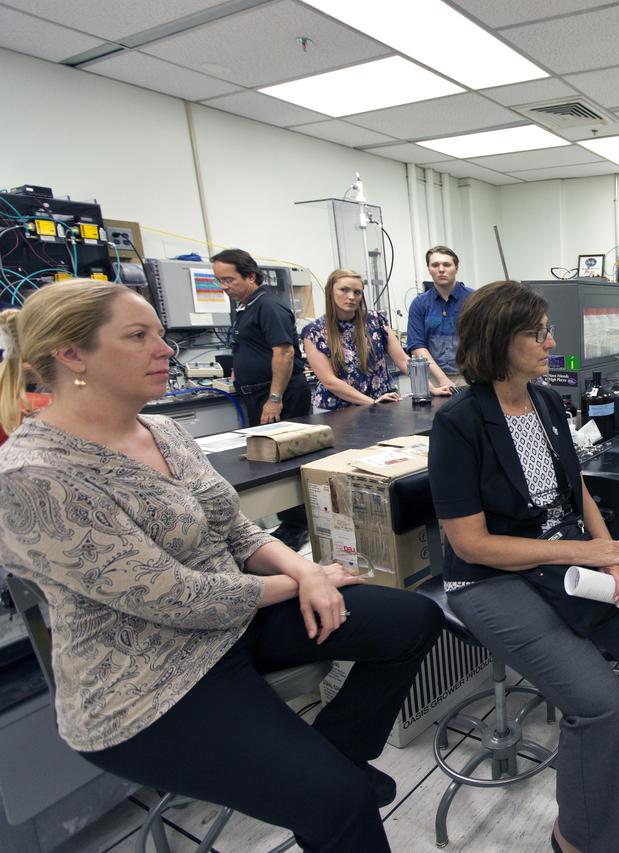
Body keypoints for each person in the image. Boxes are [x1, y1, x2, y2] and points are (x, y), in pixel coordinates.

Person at [0, 281, 444, 852]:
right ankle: (333, 782)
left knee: (414, 620)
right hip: (149, 678)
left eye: (159, 333)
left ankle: (339, 754)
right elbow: (177, 599)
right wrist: (300, 580)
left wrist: (308, 574)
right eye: (139, 336)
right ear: (71, 354)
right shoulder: (33, 477)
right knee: (340, 803)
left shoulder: (160, 430)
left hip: (235, 624)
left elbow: (235, 528)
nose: (165, 349)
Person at [429, 281, 619, 853]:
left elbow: (575, 489)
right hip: (490, 578)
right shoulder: (458, 423)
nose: (552, 341)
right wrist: (581, 553)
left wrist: (613, 553)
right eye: (539, 333)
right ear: (500, 341)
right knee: (600, 704)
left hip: (564, 560)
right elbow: (472, 544)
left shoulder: (547, 399)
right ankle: (577, 836)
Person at [211, 248, 310, 548]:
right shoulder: (247, 306)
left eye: (229, 280)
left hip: (279, 394)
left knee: (284, 462)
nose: (224, 287)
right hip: (259, 394)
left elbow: (285, 352)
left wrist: (274, 398)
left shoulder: (268, 306)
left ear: (250, 276)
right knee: (268, 460)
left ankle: (298, 525)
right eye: (220, 281)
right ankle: (288, 522)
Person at [301, 268, 432, 409]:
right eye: (344, 290)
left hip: (383, 404)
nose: (351, 296)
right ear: (330, 292)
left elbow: (403, 360)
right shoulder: (314, 332)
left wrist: (429, 389)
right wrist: (371, 402)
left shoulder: (375, 321)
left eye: (357, 292)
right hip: (339, 411)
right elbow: (329, 381)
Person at [406, 245, 471, 392]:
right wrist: (442, 379)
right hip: (433, 380)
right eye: (435, 265)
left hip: (470, 377)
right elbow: (416, 345)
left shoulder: (474, 300)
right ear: (429, 269)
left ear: (456, 268)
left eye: (447, 264)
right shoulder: (419, 304)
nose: (441, 269)